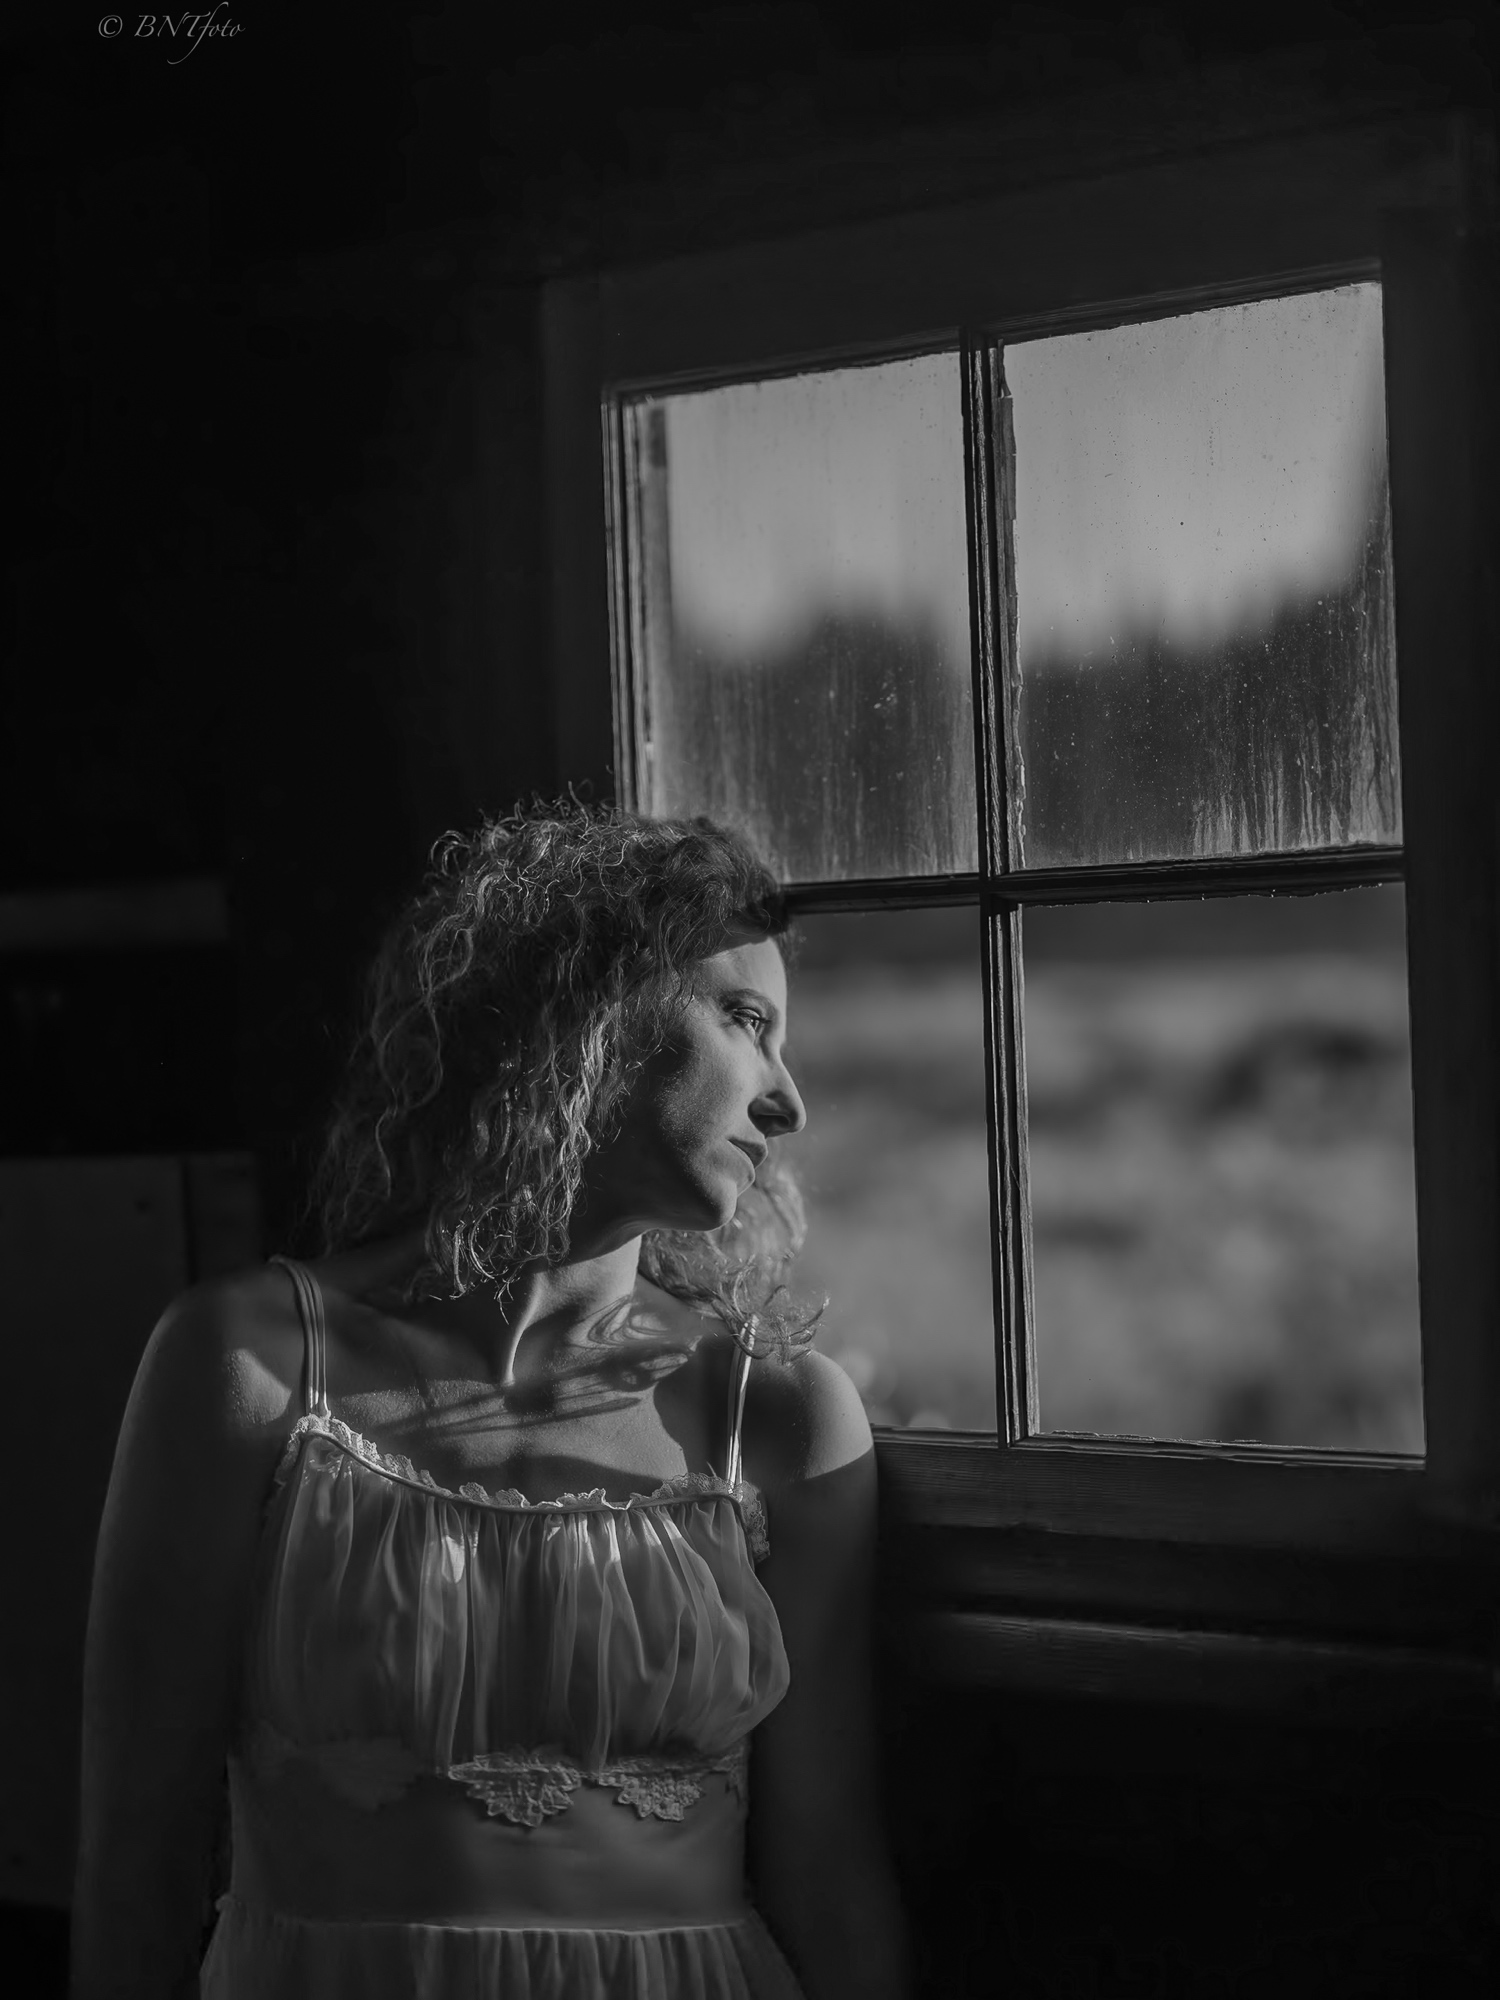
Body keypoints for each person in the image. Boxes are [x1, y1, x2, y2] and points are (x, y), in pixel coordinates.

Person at [72, 805, 909, 2000]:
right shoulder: (249, 1365)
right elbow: (135, 1865)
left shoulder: (777, 1417)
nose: (788, 1099)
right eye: (744, 1019)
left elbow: (829, 1873)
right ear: (589, 1014)